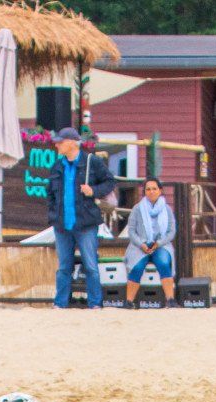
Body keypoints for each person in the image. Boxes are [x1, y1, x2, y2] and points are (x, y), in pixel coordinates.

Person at [43, 128, 116, 310]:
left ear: (72, 143)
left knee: (90, 265)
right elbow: (50, 193)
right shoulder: (57, 166)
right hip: (62, 225)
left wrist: (94, 191)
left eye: (60, 142)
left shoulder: (92, 161)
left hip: (86, 223)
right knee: (64, 267)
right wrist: (53, 214)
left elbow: (110, 181)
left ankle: (95, 303)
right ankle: (60, 303)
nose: (57, 145)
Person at [124, 178, 177, 308]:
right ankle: (129, 301)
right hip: (140, 245)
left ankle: (170, 300)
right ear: (144, 192)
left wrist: (159, 243)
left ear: (160, 190)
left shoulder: (167, 209)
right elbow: (131, 231)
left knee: (164, 263)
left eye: (154, 189)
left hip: (161, 245)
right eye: (148, 189)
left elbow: (171, 231)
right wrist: (141, 244)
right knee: (136, 267)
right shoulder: (137, 209)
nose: (151, 192)